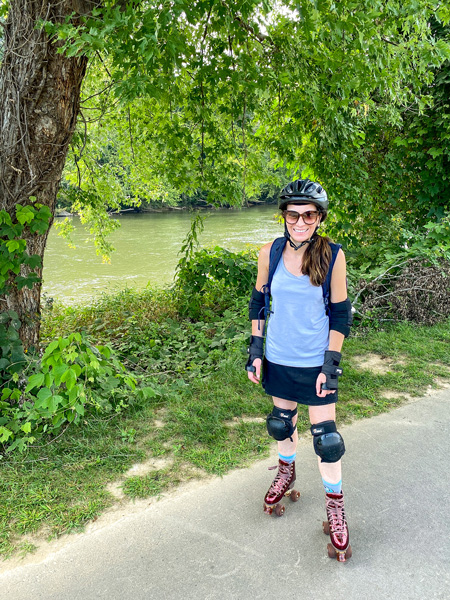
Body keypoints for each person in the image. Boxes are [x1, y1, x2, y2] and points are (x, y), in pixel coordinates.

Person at [246, 178, 353, 562]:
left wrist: (331, 363)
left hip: (315, 363)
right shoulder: (269, 253)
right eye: (294, 214)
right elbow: (259, 304)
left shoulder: (332, 255)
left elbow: (340, 314)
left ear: (320, 218)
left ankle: (336, 507)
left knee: (326, 439)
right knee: (281, 422)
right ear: (284, 216)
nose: (301, 221)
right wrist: (256, 350)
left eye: (309, 214)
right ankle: (286, 471)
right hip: (278, 357)